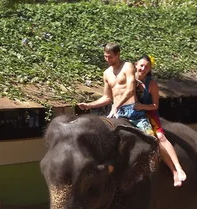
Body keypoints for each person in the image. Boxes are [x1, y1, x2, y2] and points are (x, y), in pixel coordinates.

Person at [77, 42, 156, 137]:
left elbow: (130, 90)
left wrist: (116, 105)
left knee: (151, 139)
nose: (107, 59)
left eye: (110, 57)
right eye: (105, 56)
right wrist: (89, 105)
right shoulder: (106, 73)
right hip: (117, 112)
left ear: (118, 54)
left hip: (132, 110)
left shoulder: (127, 66)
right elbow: (107, 97)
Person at [134, 55, 187, 187]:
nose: (143, 68)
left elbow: (155, 105)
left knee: (160, 137)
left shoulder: (151, 83)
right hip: (132, 114)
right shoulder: (129, 79)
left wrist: (142, 107)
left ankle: (176, 169)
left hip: (149, 113)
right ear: (135, 65)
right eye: (141, 65)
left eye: (146, 67)